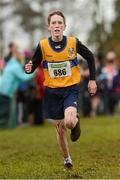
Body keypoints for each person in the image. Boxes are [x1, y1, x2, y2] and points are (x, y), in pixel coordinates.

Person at [25, 11, 97, 169]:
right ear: (48, 26)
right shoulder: (43, 45)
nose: (56, 25)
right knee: (60, 129)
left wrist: (92, 79)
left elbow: (90, 56)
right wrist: (28, 68)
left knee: (70, 122)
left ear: (64, 26)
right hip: (52, 92)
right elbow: (33, 64)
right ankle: (67, 159)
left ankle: (75, 120)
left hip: (70, 89)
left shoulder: (73, 42)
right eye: (54, 23)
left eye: (59, 23)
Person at [0, 48, 34, 128]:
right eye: (22, 57)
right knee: (3, 111)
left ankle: (5, 126)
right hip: (5, 91)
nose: (23, 59)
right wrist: (34, 72)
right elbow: (24, 78)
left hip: (3, 89)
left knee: (4, 110)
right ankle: (3, 126)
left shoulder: (11, 64)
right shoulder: (15, 66)